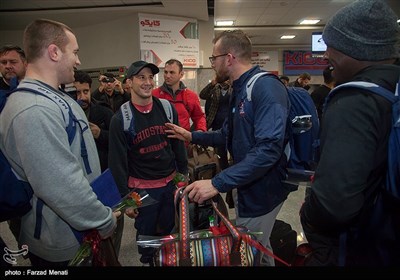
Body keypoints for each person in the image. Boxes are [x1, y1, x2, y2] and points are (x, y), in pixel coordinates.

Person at [166, 30, 291, 266]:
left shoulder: (265, 88)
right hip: (247, 186)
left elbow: (268, 150)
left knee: (251, 253)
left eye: (214, 58)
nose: (213, 64)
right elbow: (227, 135)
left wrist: (216, 183)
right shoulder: (239, 89)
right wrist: (191, 135)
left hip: (263, 191)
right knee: (259, 249)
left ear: (229, 57)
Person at [0, 19, 118, 267]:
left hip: (76, 231)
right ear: (54, 52)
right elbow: (60, 184)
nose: (78, 61)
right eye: (74, 52)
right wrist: (102, 220)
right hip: (60, 241)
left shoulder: (51, 97)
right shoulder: (33, 109)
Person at [300, 0, 400, 266]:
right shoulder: (393, 88)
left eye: (330, 46)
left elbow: (335, 205)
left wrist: (308, 211)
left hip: (357, 246)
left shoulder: (354, 101)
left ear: (352, 48)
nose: (325, 56)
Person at [108, 60, 188, 266]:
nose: (147, 82)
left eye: (150, 77)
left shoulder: (167, 109)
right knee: (147, 240)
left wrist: (183, 175)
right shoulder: (121, 119)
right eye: (141, 77)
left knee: (170, 235)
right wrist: (126, 200)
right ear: (129, 83)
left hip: (170, 186)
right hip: (143, 193)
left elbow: (177, 145)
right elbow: (117, 163)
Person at [74, 70, 113, 173]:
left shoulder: (105, 111)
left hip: (102, 171)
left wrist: (100, 134)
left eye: (86, 91)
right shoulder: (65, 116)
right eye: (78, 92)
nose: (82, 97)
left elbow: (119, 139)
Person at [153, 59, 206, 133]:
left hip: (183, 141)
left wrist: (200, 130)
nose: (167, 76)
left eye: (172, 72)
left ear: (181, 74)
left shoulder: (191, 96)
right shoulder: (154, 95)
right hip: (160, 141)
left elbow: (199, 117)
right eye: (166, 72)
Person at [199, 75, 231, 171]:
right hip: (216, 123)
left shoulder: (233, 88)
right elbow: (202, 95)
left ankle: (233, 167)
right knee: (220, 151)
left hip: (230, 124)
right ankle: (223, 169)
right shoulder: (215, 88)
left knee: (232, 147)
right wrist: (211, 84)